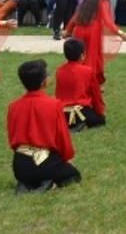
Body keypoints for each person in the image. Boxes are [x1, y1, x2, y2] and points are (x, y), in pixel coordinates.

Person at [7, 59, 80, 193]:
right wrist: (67, 158)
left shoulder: (13, 106)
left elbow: (12, 139)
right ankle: (48, 184)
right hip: (44, 160)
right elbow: (62, 137)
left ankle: (26, 183)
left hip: (20, 164)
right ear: (43, 82)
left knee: (30, 173)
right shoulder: (53, 105)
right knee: (73, 175)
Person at [65, 0, 126, 85]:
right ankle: (91, 82)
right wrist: (121, 33)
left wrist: (68, 30)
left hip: (79, 31)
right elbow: (108, 21)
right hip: (93, 32)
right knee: (92, 57)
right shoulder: (103, 1)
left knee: (78, 55)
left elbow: (76, 16)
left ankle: (78, 78)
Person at [55, 38, 105, 131]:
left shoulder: (60, 70)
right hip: (80, 110)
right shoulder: (88, 71)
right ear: (82, 55)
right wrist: (100, 111)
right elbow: (95, 94)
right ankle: (79, 123)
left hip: (62, 111)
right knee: (99, 120)